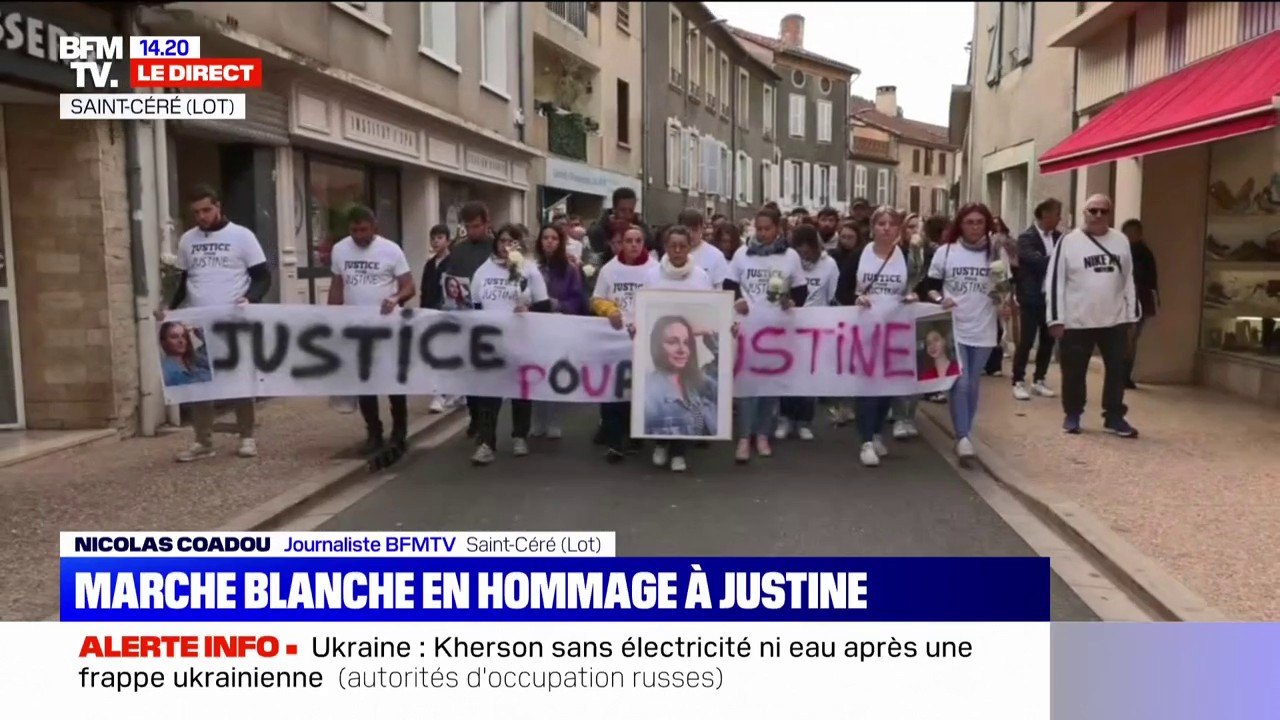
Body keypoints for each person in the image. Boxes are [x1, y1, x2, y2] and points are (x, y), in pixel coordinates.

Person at [156, 185, 271, 463]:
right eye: (196, 212)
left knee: (239, 379)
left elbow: (263, 276)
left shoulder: (242, 236)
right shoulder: (187, 240)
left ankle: (246, 437)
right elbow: (184, 280)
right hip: (197, 323)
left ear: (218, 206)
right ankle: (202, 441)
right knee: (199, 381)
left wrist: (250, 298)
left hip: (233, 321)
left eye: (206, 210)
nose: (202, 216)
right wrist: (169, 307)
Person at [1046, 194, 1140, 438]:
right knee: (1074, 371)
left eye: (1103, 211)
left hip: (1115, 319)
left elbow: (1128, 278)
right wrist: (1055, 318)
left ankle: (1114, 415)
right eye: (1093, 210)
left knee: (1117, 370)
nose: (1098, 215)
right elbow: (1055, 281)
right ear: (1084, 213)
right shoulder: (1068, 241)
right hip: (1077, 320)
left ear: (1109, 214)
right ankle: (1073, 413)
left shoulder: (1120, 240)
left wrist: (1132, 314)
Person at [328, 205, 417, 453]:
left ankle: (399, 431)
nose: (358, 235)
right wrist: (330, 317)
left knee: (392, 383)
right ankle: (374, 432)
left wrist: (397, 298)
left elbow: (409, 286)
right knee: (365, 382)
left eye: (363, 230)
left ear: (374, 227)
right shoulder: (340, 249)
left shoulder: (391, 250)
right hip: (356, 329)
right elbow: (337, 286)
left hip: (387, 329)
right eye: (354, 230)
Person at [724, 206, 808, 463]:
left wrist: (790, 302)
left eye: (766, 229)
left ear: (778, 228)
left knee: (769, 387)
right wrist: (736, 301)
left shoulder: (790, 257)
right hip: (748, 329)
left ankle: (762, 435)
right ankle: (743, 437)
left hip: (776, 330)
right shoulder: (742, 254)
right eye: (757, 229)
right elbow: (729, 285)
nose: (761, 233)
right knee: (747, 386)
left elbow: (801, 293)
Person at [839, 207, 920, 467]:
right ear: (872, 228)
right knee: (867, 387)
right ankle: (864, 440)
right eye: (881, 223)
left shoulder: (906, 256)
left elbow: (919, 285)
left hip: (895, 333)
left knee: (886, 386)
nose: (886, 228)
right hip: (863, 331)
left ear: (898, 229)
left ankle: (876, 433)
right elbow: (842, 290)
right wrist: (855, 298)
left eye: (891, 224)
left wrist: (913, 296)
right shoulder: (858, 257)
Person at [468, 224, 552, 465]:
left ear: (520, 245)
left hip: (521, 339)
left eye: (512, 242)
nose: (507, 246)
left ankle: (519, 435)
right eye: (503, 241)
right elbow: (475, 306)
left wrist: (528, 308)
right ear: (496, 243)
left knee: (520, 391)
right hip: (492, 342)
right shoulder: (483, 271)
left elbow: (544, 304)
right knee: (489, 394)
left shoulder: (529, 270)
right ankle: (486, 442)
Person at [924, 202, 1001, 462]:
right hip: (954, 325)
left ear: (987, 225)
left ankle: (965, 432)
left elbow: (1004, 289)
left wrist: (1003, 298)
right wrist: (939, 300)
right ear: (960, 224)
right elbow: (931, 287)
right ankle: (963, 436)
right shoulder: (945, 252)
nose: (975, 227)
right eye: (970, 222)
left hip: (984, 325)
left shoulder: (995, 254)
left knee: (974, 384)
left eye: (980, 222)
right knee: (961, 381)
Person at [591, 224, 658, 462]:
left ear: (644, 244)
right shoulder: (610, 270)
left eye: (637, 241)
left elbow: (660, 301)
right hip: (614, 338)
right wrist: (608, 309)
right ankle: (614, 441)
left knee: (638, 391)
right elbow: (597, 298)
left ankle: (635, 436)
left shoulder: (654, 270)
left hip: (641, 339)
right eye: (628, 241)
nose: (632, 245)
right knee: (614, 390)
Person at [441, 201, 499, 440]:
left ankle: (488, 423)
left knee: (489, 375)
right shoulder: (458, 250)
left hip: (492, 321)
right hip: (465, 320)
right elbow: (449, 281)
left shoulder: (497, 249)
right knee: (469, 373)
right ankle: (474, 416)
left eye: (477, 226)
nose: (473, 231)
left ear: (487, 223)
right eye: (468, 226)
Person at [775, 225, 838, 443]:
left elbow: (832, 297)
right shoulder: (789, 262)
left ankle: (804, 421)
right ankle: (785, 417)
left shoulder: (829, 265)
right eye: (799, 250)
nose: (804, 254)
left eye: (807, 250)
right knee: (787, 373)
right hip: (789, 323)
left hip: (815, 325)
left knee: (808, 374)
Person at [530, 223, 587, 440]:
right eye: (545, 238)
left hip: (557, 326)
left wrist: (557, 305)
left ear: (560, 242)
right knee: (536, 373)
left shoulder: (569, 270)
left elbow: (578, 300)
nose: (549, 242)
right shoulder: (530, 267)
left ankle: (554, 419)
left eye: (554, 238)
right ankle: (537, 419)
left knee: (555, 373)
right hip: (534, 328)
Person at [1012, 198, 1064, 401]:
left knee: (1047, 340)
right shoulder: (1026, 238)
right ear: (1044, 214)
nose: (1059, 218)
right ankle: (1018, 380)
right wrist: (1055, 261)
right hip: (1031, 297)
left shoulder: (1060, 238)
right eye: (1057, 213)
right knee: (1025, 341)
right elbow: (1037, 263)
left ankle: (1039, 379)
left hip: (1051, 298)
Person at [1123, 218, 1158, 389]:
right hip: (1122, 302)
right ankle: (1120, 375)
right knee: (1125, 339)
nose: (1131, 236)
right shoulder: (1119, 251)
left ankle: (1125, 375)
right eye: (1128, 233)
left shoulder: (1145, 253)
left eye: (1134, 233)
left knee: (1132, 339)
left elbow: (1151, 279)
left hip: (1140, 301)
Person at [984, 215, 1017, 377]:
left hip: (998, 283)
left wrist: (1005, 295)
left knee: (998, 324)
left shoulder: (1004, 243)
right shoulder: (985, 242)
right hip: (984, 287)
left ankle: (994, 363)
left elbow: (1005, 267)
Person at [588, 187, 653, 259]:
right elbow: (597, 251)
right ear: (614, 209)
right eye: (623, 210)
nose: (627, 215)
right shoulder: (601, 227)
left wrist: (640, 233)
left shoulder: (638, 223)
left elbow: (652, 245)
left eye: (631, 210)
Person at [680, 208, 730, 289]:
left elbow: (721, 290)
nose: (691, 235)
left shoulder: (716, 256)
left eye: (695, 230)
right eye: (687, 230)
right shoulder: (673, 255)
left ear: (702, 229)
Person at [158, 322, 212, 387]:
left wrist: (199, 330)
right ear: (163, 342)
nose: (181, 341)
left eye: (184, 336)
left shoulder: (196, 360)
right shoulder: (166, 372)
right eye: (174, 337)